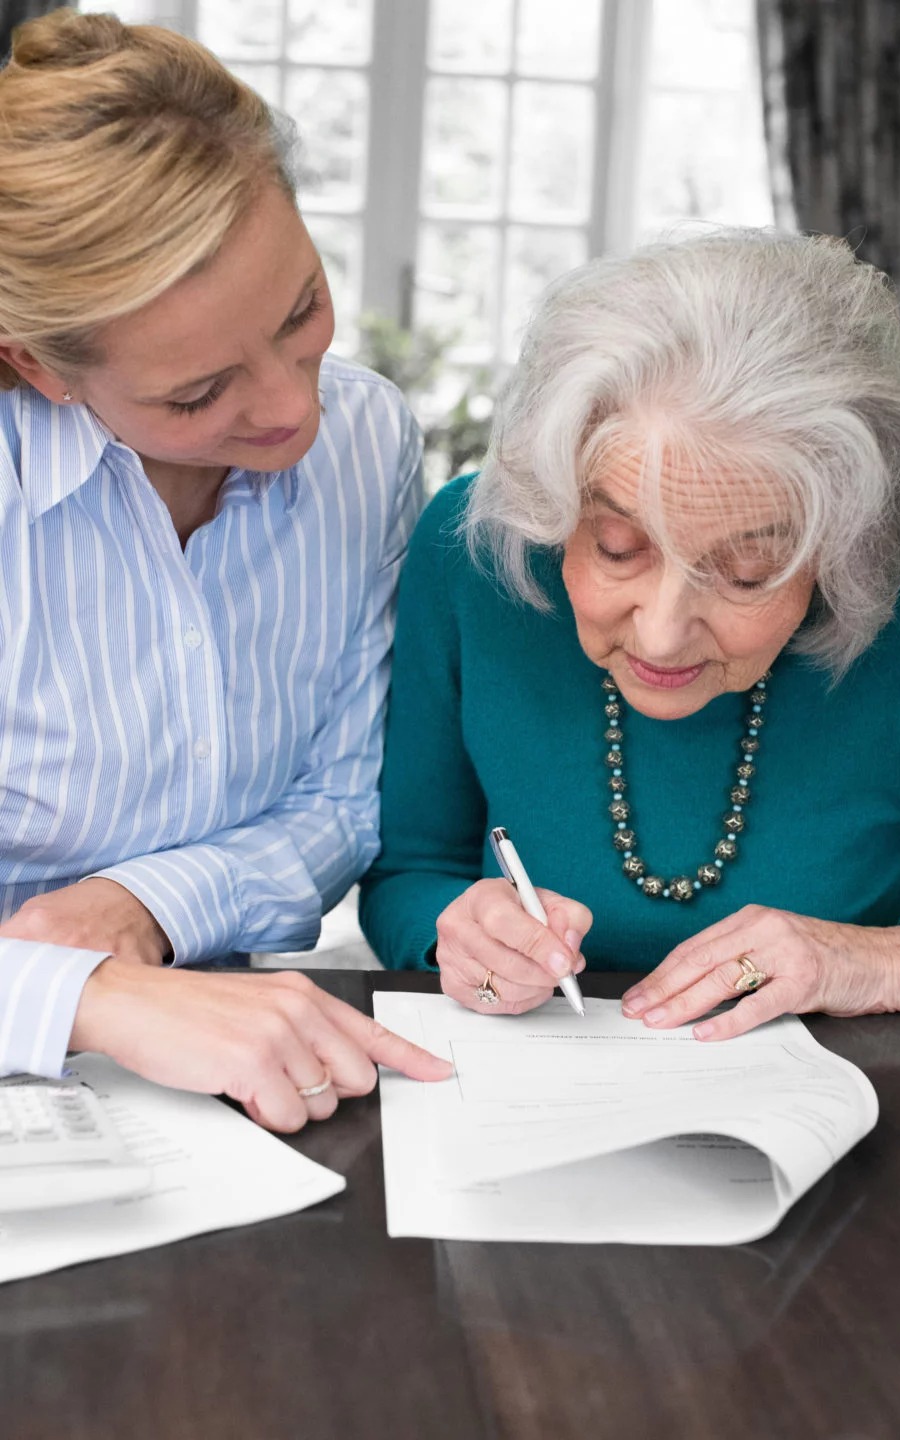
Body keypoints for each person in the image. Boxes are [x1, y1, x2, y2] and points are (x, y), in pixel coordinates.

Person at [0, 7, 451, 1130]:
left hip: (245, 1064)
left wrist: (138, 908)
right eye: (197, 395)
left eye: (301, 310)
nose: (297, 408)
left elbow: (346, 798)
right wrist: (85, 995)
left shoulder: (370, 439)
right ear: (40, 368)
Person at [360, 228, 900, 1040]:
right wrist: (452, 931)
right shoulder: (475, 551)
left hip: (859, 1092)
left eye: (749, 572)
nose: (664, 633)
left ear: (846, 546)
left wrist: (886, 960)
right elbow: (410, 872)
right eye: (617, 549)